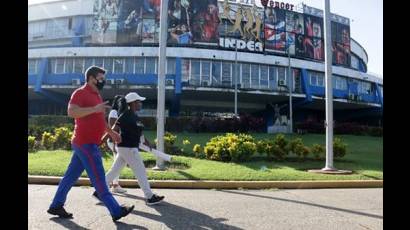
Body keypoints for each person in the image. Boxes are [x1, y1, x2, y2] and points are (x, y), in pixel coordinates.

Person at [47, 66, 134, 222]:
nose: (103, 81)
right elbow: (71, 112)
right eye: (100, 78)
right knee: (99, 179)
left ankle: (56, 205)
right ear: (91, 78)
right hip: (85, 143)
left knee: (70, 177)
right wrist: (94, 109)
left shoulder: (97, 95)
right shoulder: (80, 93)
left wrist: (111, 132)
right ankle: (116, 211)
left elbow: (99, 120)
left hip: (87, 143)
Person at [100, 92, 165, 205]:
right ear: (133, 103)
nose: (141, 104)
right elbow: (114, 129)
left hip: (127, 148)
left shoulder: (135, 116)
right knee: (141, 171)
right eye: (139, 102)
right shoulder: (125, 115)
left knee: (114, 171)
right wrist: (102, 140)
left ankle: (98, 192)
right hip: (128, 148)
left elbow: (139, 133)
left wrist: (147, 142)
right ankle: (149, 197)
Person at [105, 95, 127, 193]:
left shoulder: (118, 113)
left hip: (117, 141)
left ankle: (114, 185)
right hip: (113, 141)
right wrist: (114, 144)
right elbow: (113, 128)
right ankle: (114, 185)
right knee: (117, 164)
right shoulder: (114, 112)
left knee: (118, 164)